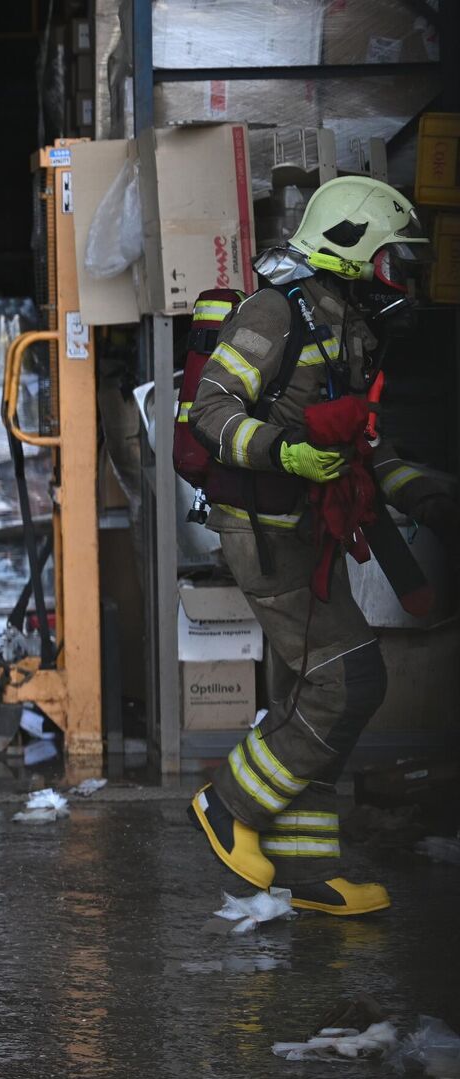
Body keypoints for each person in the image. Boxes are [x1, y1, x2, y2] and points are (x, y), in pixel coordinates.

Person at [186, 177, 458, 916]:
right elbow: (212, 407)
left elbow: (367, 447)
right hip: (264, 534)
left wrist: (428, 496)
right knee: (351, 680)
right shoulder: (276, 312)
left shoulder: (352, 327)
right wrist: (284, 455)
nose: (401, 277)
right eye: (392, 259)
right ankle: (227, 801)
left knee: (313, 692)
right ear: (351, 247)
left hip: (310, 536)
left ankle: (307, 873)